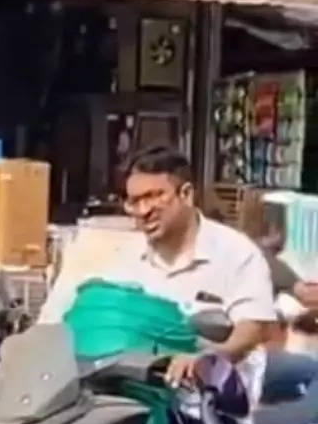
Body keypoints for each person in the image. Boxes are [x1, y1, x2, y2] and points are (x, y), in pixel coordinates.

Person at [39, 145, 275, 392]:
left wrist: (208, 359)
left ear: (186, 194)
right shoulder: (124, 259)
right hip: (139, 402)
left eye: (154, 196)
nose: (144, 211)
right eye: (134, 202)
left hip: (210, 410)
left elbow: (253, 327)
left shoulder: (236, 253)